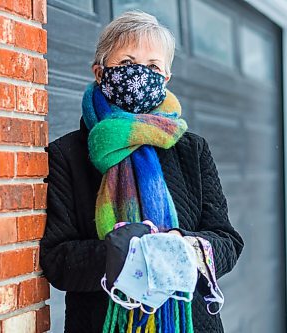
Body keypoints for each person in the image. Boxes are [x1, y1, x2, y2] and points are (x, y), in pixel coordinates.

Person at [39, 10, 244, 333]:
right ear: (100, 72)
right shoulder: (68, 155)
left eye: (152, 67)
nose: (139, 74)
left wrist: (184, 246)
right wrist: (121, 255)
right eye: (126, 63)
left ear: (165, 80)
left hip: (187, 324)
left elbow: (228, 241)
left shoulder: (191, 150)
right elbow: (57, 260)